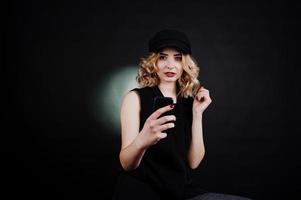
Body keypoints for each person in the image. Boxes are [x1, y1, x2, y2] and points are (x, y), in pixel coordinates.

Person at [112, 29, 252, 200]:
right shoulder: (134, 98)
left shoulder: (189, 102)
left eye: (177, 58)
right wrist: (143, 140)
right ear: (153, 61)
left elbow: (193, 162)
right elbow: (126, 164)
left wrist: (197, 114)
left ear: (185, 63)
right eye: (163, 57)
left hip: (181, 192)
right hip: (142, 191)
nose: (170, 65)